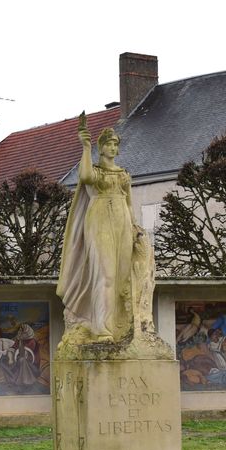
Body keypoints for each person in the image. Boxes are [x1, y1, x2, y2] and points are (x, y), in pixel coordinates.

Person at [57, 115, 136, 342]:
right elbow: (85, 175)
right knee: (106, 275)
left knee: (122, 278)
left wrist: (134, 227)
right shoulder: (97, 171)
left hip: (122, 221)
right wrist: (85, 147)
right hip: (100, 219)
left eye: (115, 144)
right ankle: (103, 329)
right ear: (100, 148)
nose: (112, 148)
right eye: (108, 144)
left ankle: (121, 327)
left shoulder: (123, 174)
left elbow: (129, 203)